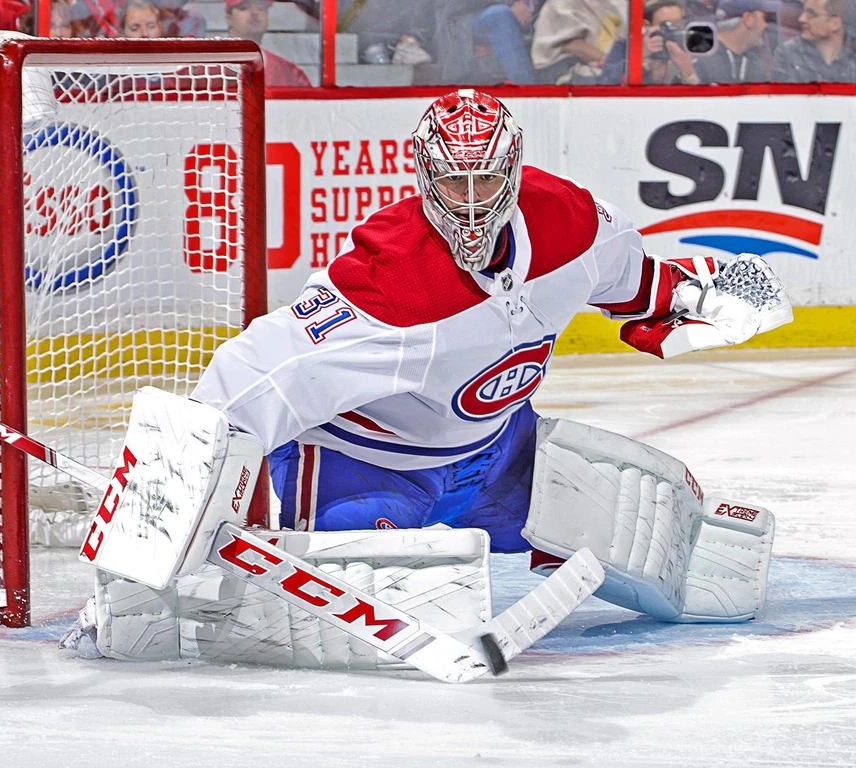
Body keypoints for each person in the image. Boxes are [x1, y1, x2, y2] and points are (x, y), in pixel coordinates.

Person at [62, 89, 786, 664]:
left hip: (497, 453)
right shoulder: (389, 283)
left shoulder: (571, 225)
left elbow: (634, 281)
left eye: (486, 178)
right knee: (332, 620)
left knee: (660, 541)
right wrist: (146, 537)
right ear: (422, 173)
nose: (470, 201)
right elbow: (245, 383)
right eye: (452, 180)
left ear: (514, 170)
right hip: (367, 467)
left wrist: (700, 295)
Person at [432, 0, 541, 85]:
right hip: (462, 21)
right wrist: (513, 3)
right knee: (499, 15)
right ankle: (528, 95)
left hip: (530, 20)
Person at [600, 0, 699, 84]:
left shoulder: (694, 49)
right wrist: (640, 56)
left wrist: (688, 72)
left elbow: (702, 95)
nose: (673, 30)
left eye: (678, 23)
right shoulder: (624, 48)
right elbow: (604, 84)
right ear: (647, 25)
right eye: (666, 25)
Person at [529, 0, 627, 84]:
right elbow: (569, 45)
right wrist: (611, 63)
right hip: (589, 76)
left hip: (627, 69)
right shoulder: (563, 3)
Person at [225, 0, 312, 86]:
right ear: (228, 18)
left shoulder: (291, 74)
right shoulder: (216, 69)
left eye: (261, 7)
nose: (255, 12)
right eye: (244, 7)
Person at [691, 0, 778, 82]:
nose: (766, 25)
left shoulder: (756, 59)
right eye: (765, 18)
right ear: (748, 19)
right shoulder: (702, 59)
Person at [772, 0, 856, 81]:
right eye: (803, 12)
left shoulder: (852, 57)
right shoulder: (788, 53)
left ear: (835, 24)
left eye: (811, 14)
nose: (801, 19)